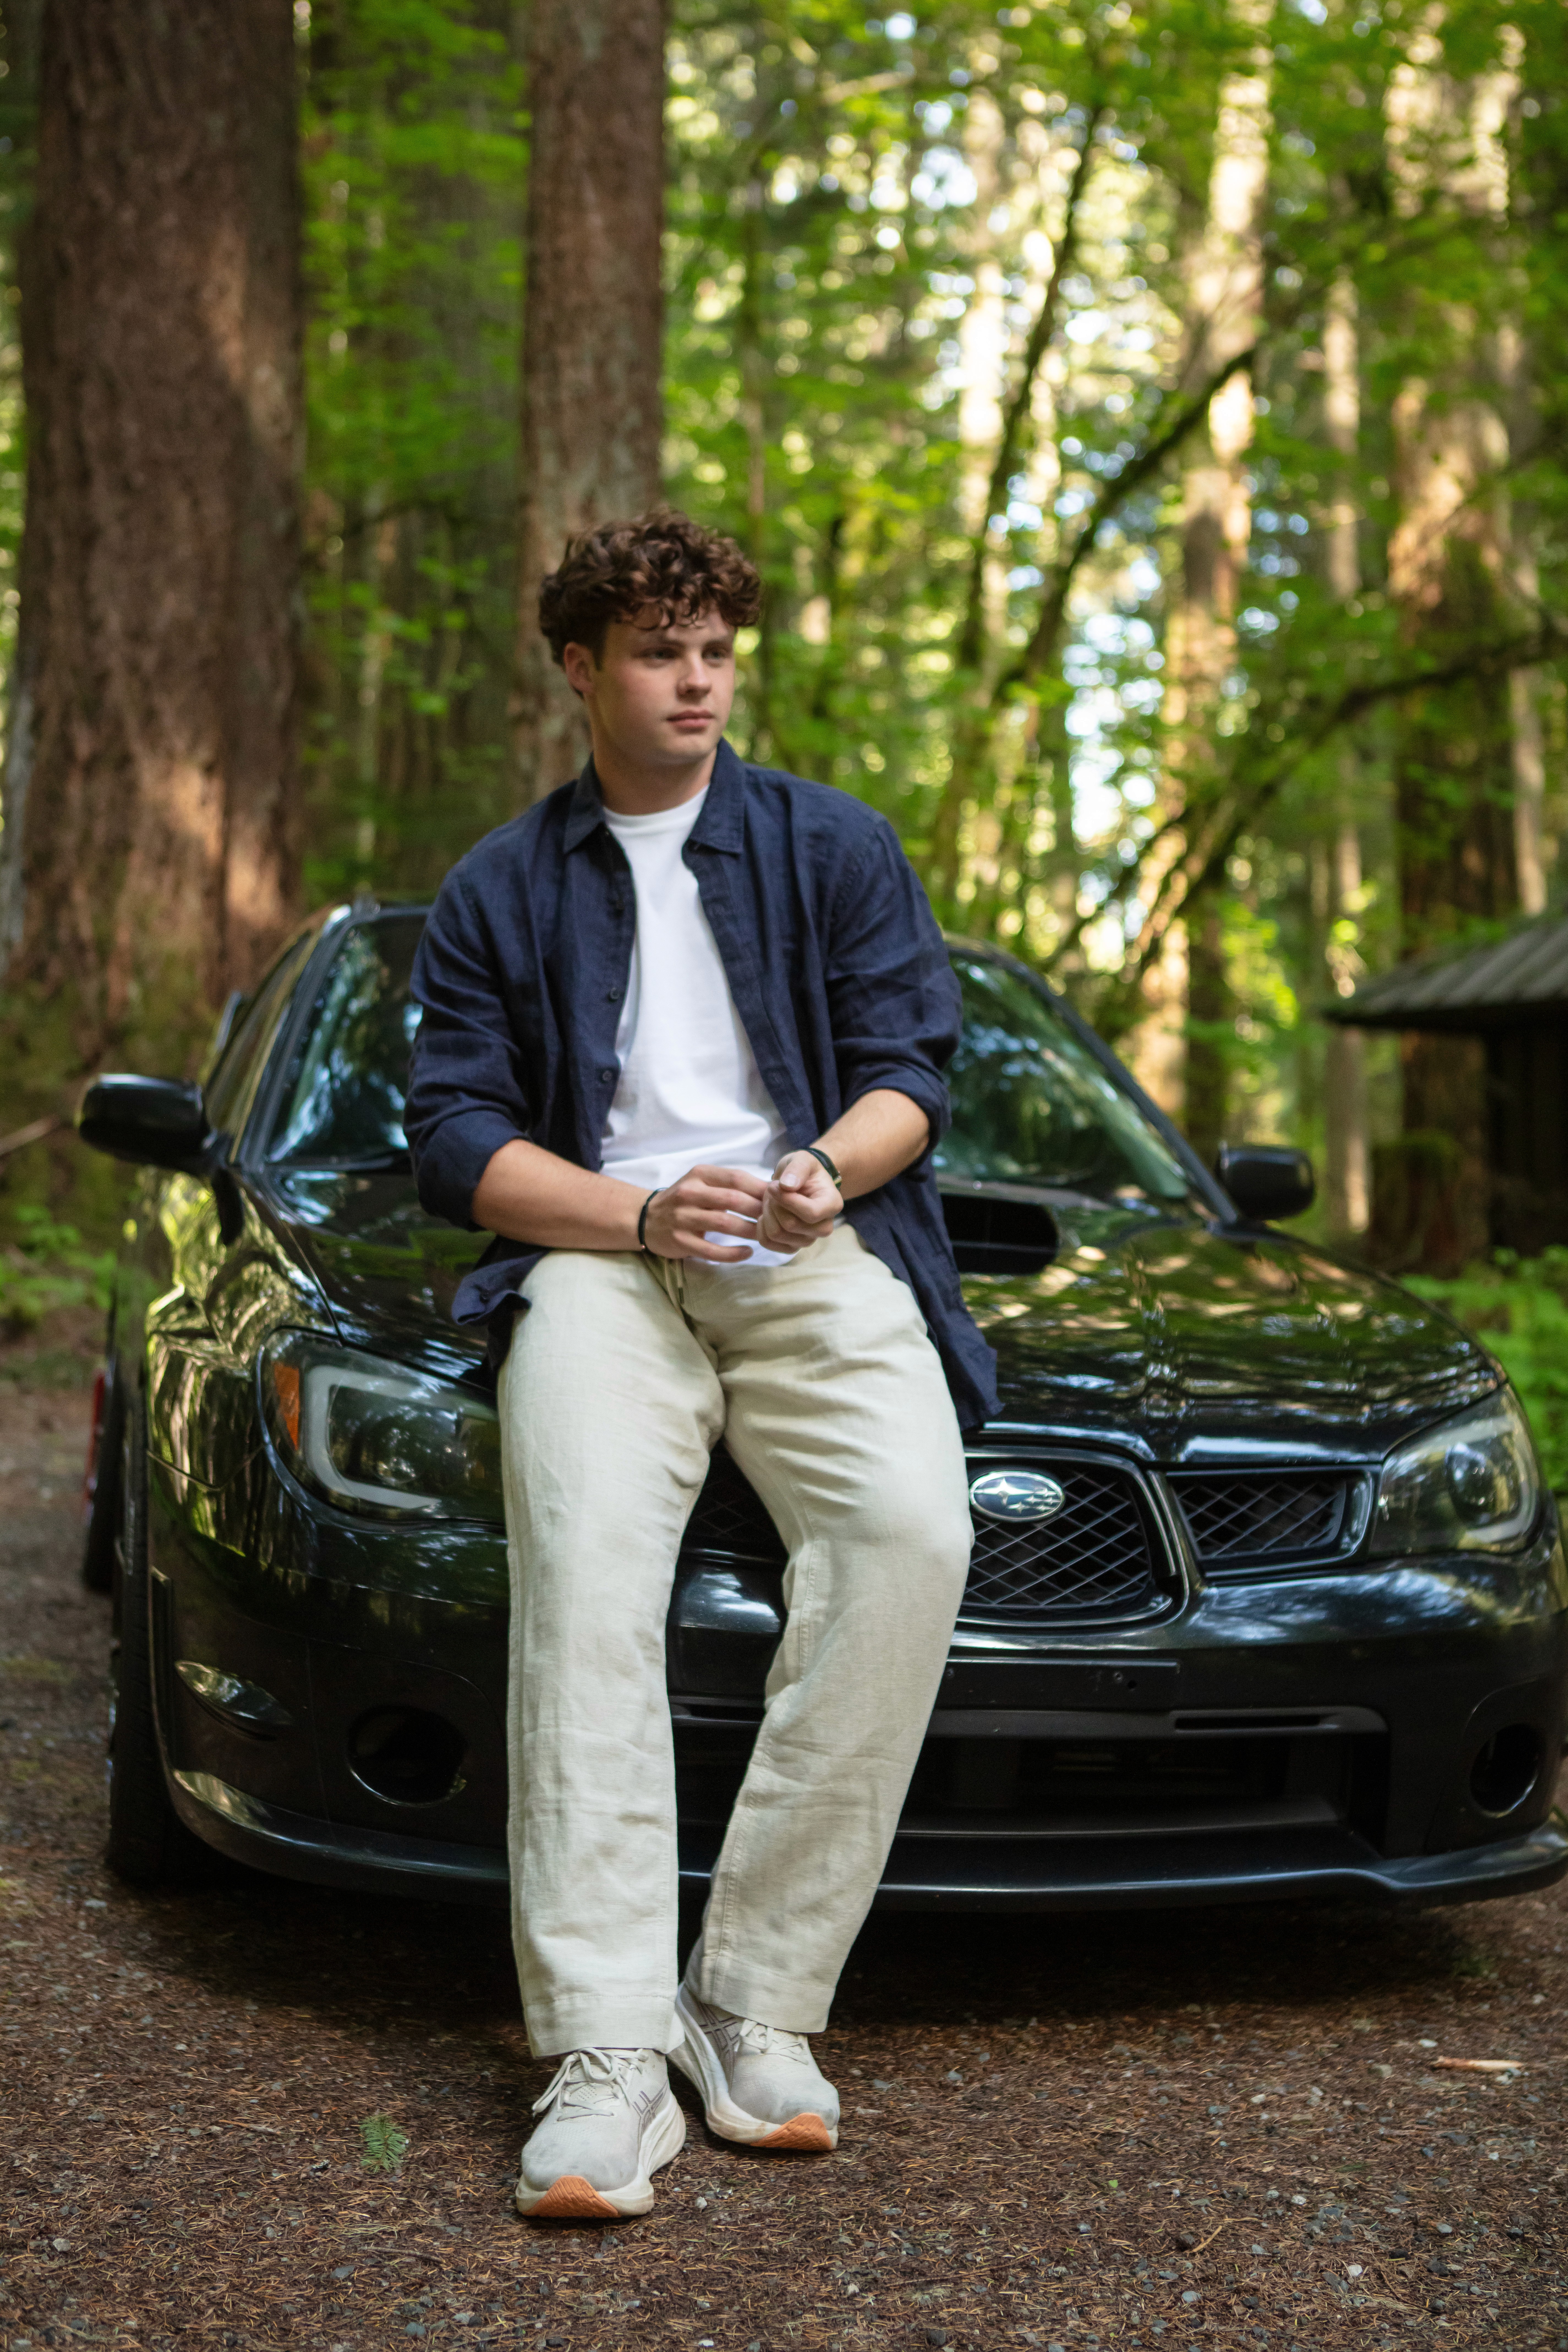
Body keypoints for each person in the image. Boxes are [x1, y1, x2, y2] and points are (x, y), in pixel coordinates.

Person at [404, 509, 997, 2221]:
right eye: (659, 652)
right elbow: (456, 1141)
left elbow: (910, 1073)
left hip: (810, 1249)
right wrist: (640, 1214)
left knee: (909, 1532)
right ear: (579, 668)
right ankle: (605, 2049)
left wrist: (823, 1167)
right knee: (589, 1562)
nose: (695, 681)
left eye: (715, 651)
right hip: (601, 1260)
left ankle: (749, 1996)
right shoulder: (501, 885)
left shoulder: (832, 845)